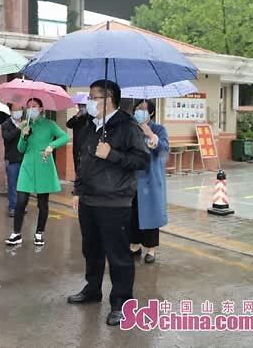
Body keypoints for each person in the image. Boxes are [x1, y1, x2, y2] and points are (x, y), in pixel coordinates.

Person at [67, 80, 150, 327]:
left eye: (94, 97)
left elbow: (142, 160)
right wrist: (77, 190)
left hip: (115, 201)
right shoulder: (90, 125)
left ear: (109, 98)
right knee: (91, 250)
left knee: (118, 255)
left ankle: (122, 303)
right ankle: (92, 289)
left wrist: (112, 154)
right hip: (89, 199)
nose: (89, 102)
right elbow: (83, 161)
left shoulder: (127, 126)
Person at [5, 99, 69, 246]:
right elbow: (20, 149)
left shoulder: (50, 124)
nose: (30, 109)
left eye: (34, 106)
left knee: (42, 202)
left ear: (41, 109)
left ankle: (39, 233)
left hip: (43, 164)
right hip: (27, 165)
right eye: (28, 107)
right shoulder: (25, 125)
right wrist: (24, 136)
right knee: (21, 201)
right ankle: (16, 233)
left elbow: (65, 137)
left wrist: (51, 146)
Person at [130, 100, 169, 264]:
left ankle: (151, 249)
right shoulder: (131, 128)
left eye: (144, 109)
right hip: (133, 178)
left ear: (151, 113)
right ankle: (134, 245)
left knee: (151, 214)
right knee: (133, 213)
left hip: (150, 179)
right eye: (138, 108)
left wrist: (151, 135)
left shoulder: (159, 129)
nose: (140, 111)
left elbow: (164, 150)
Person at [1, 103, 24, 217]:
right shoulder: (6, 124)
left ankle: (21, 206)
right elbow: (7, 137)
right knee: (12, 185)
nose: (18, 112)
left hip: (23, 159)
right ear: (10, 111)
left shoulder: (25, 123)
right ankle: (13, 207)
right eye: (15, 110)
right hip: (12, 159)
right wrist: (18, 129)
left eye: (20, 109)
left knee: (22, 185)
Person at [66, 103, 90, 181]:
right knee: (77, 164)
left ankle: (85, 182)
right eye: (80, 106)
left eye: (83, 106)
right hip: (77, 146)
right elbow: (68, 124)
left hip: (87, 146)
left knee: (86, 165)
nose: (81, 108)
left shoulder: (90, 118)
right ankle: (78, 181)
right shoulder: (76, 118)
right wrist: (76, 117)